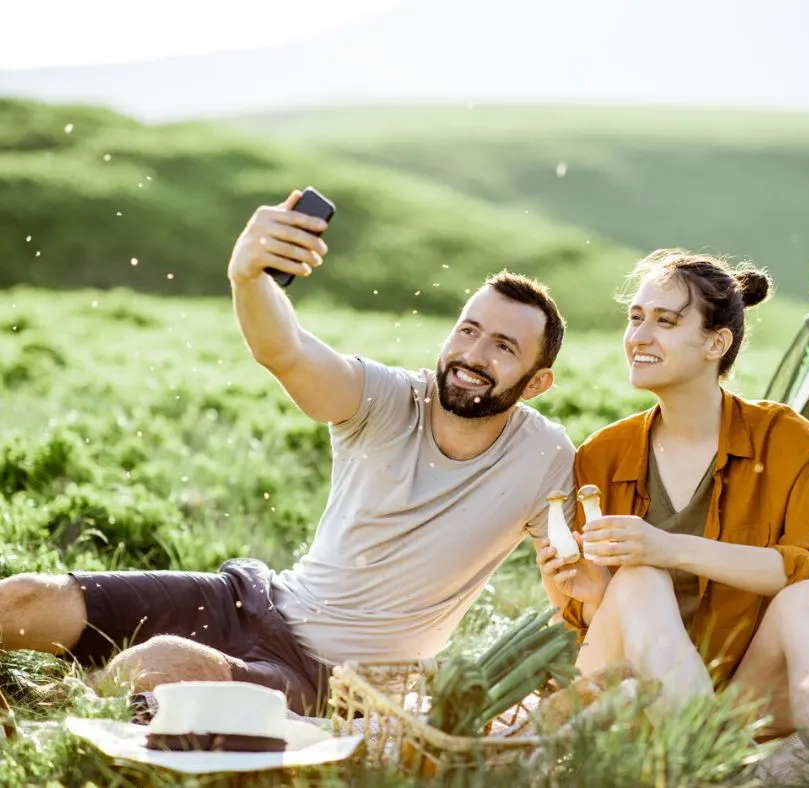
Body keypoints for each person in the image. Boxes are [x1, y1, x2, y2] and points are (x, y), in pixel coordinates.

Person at [0, 190, 576, 717]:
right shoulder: (388, 397)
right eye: (468, 330)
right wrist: (249, 277)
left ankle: (66, 708)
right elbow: (287, 352)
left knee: (158, 664)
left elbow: (575, 585)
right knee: (21, 599)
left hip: (327, 683)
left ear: (535, 383)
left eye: (503, 346)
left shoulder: (544, 458)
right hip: (253, 600)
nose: (473, 354)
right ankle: (87, 694)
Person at [536, 248, 809, 772]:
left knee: (807, 598)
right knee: (638, 580)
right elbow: (590, 622)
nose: (639, 336)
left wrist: (669, 546)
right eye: (636, 318)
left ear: (716, 342)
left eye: (665, 321)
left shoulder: (783, 438)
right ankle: (716, 762)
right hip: (630, 686)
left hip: (737, 690)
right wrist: (593, 593)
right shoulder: (603, 455)